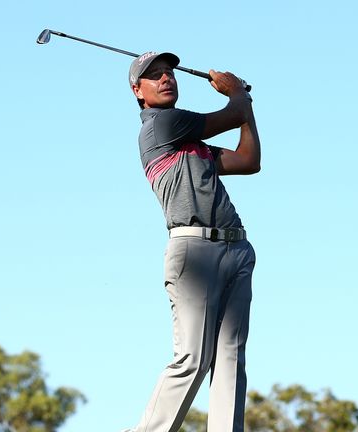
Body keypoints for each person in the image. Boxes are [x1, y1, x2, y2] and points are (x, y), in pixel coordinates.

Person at [124, 51, 261, 432]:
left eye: (169, 72)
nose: (166, 78)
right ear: (139, 92)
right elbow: (229, 115)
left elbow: (249, 160)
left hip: (236, 248)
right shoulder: (161, 126)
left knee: (231, 357)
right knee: (193, 358)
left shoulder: (192, 144)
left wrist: (243, 105)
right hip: (194, 251)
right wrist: (236, 94)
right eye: (154, 76)